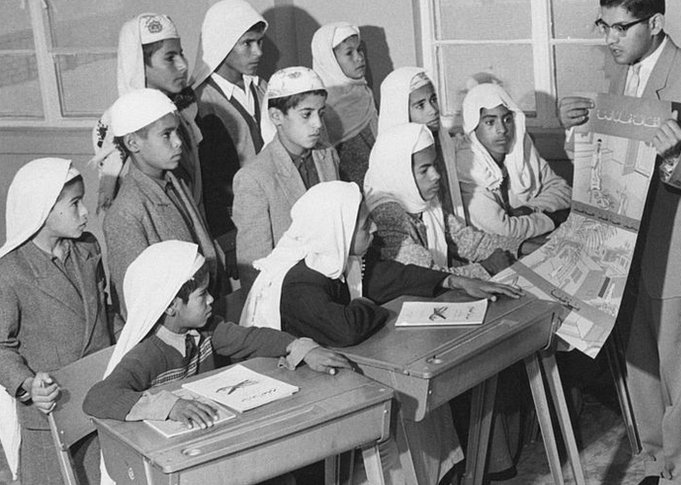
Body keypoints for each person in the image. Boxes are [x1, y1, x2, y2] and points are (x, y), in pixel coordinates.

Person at [557, 0, 681, 485]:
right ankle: (657, 463)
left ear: (654, 23)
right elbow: (610, 158)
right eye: (603, 26)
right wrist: (576, 135)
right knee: (641, 371)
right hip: (622, 245)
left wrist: (677, 154)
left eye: (620, 28)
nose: (609, 39)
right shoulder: (620, 74)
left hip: (678, 248)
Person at [240, 181, 521, 485]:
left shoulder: (337, 256)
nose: (373, 229)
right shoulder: (299, 281)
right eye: (364, 225)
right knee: (401, 402)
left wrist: (454, 283)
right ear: (340, 230)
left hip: (330, 372)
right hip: (295, 398)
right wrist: (368, 302)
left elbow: (394, 276)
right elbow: (346, 328)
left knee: (420, 397)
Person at [84, 240, 348, 485]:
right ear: (171, 306)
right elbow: (98, 398)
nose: (211, 299)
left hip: (207, 450)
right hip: (169, 466)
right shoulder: (147, 354)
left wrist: (301, 348)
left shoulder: (208, 330)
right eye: (202, 295)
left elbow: (251, 339)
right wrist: (170, 405)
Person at [0, 158, 112, 485]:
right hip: (50, 414)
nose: (85, 212)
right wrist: (27, 384)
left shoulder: (87, 248)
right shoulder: (10, 272)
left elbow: (108, 315)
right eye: (75, 203)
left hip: (100, 399)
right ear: (43, 209)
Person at [102, 89, 227, 316]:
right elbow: (135, 303)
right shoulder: (126, 213)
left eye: (177, 132)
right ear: (132, 142)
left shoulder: (175, 181)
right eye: (166, 135)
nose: (178, 142)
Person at [365, 122, 521, 279]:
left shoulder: (422, 200)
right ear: (400, 173)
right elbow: (426, 277)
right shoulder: (387, 215)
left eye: (434, 165)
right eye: (424, 170)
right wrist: (486, 268)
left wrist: (519, 247)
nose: (436, 175)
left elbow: (465, 240)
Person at [233, 66, 340, 291]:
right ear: (276, 116)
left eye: (321, 113)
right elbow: (253, 266)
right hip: (288, 294)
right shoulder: (254, 178)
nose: (318, 124)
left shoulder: (326, 155)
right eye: (306, 114)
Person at [91, 13, 204, 214]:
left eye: (181, 54)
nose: (183, 65)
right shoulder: (118, 125)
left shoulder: (183, 112)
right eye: (170, 58)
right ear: (139, 64)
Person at [193, 0, 269, 256]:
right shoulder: (202, 103)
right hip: (238, 224)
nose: (258, 52)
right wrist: (228, 238)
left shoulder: (262, 88)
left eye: (260, 42)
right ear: (222, 43)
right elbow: (211, 182)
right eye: (247, 43)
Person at [456, 82, 571, 240]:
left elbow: (563, 191)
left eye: (507, 119)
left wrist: (529, 209)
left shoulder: (520, 148)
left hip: (532, 245)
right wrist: (551, 219)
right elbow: (503, 231)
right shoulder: (467, 168)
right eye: (490, 122)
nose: (502, 130)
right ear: (473, 127)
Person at [378, 67, 465, 219]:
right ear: (401, 111)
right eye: (420, 105)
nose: (433, 110)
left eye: (433, 100)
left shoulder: (443, 143)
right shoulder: (391, 166)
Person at [311, 22, 378, 187]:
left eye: (359, 50)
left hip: (377, 178)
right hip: (347, 184)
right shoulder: (322, 106)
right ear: (330, 61)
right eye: (349, 53)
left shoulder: (363, 92)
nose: (359, 58)